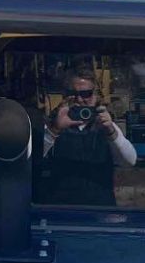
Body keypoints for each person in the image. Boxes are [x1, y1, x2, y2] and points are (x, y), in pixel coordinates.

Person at [39, 69, 137, 206]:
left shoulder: (107, 126)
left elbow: (129, 161)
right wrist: (55, 129)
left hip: (101, 210)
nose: (79, 100)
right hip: (61, 210)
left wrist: (110, 131)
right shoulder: (52, 126)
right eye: (73, 94)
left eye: (86, 94)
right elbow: (35, 159)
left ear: (96, 95)